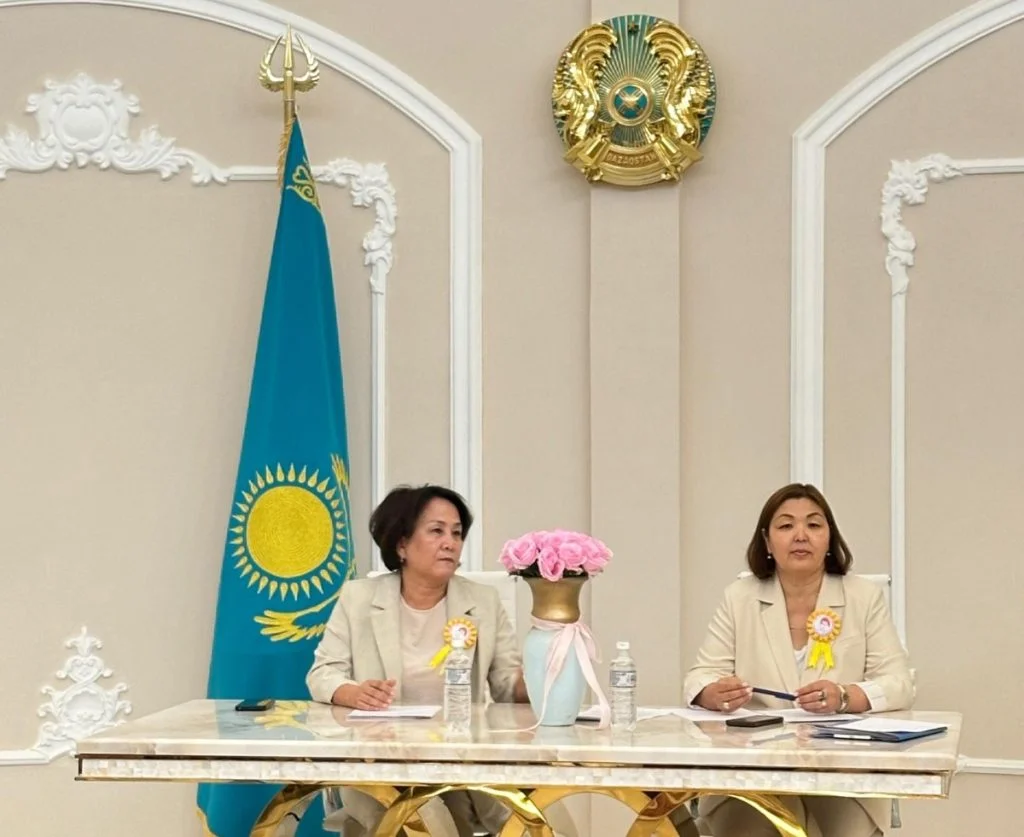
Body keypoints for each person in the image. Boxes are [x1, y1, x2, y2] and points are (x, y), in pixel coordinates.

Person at [681, 483, 914, 837]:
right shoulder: (739, 597)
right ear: (767, 541)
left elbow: (899, 684)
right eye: (786, 525)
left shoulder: (863, 596)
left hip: (841, 773)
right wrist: (712, 693)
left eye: (814, 525)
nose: (801, 535)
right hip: (750, 772)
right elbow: (699, 676)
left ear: (829, 537)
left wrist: (845, 696)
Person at [307, 484, 528, 837]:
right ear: (402, 544)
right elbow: (322, 673)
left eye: (457, 533)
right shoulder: (358, 598)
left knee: (544, 819)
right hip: (378, 764)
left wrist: (546, 672)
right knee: (426, 821)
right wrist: (353, 693)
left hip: (459, 763)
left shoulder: (483, 601)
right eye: (437, 531)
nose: (450, 543)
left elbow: (506, 685)